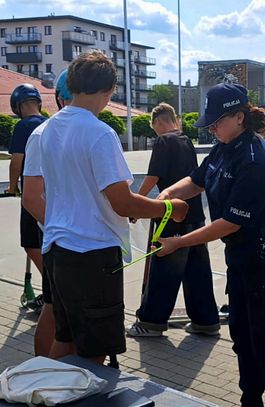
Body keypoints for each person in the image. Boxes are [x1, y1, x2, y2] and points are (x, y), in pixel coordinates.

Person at [39, 51, 188, 364]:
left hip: (56, 247)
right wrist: (169, 208)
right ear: (109, 92)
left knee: (65, 338)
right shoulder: (100, 133)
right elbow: (121, 202)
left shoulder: (51, 128)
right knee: (93, 353)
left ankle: (46, 389)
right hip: (91, 253)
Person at [156, 83, 265, 407]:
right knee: (242, 338)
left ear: (238, 117)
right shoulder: (223, 147)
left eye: (217, 121)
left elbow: (231, 222)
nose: (213, 128)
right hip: (239, 255)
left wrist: (179, 243)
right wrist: (167, 195)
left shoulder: (256, 159)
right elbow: (196, 180)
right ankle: (251, 401)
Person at [126, 102, 220, 337]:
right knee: (196, 270)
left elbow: (153, 176)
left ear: (158, 123)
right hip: (194, 213)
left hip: (171, 213)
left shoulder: (162, 142)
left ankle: (151, 322)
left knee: (164, 268)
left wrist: (137, 203)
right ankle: (205, 320)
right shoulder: (186, 141)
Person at [22, 69, 72, 356]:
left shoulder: (69, 133)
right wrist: (60, 232)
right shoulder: (44, 134)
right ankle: (43, 371)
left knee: (57, 308)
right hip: (61, 239)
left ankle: (46, 372)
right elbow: (32, 197)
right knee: (58, 310)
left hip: (64, 237)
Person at [7, 84, 47, 312]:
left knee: (31, 244)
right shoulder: (49, 124)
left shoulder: (23, 126)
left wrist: (13, 187)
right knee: (46, 241)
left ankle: (53, 286)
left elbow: (16, 162)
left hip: (32, 193)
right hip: (51, 192)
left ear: (17, 106)